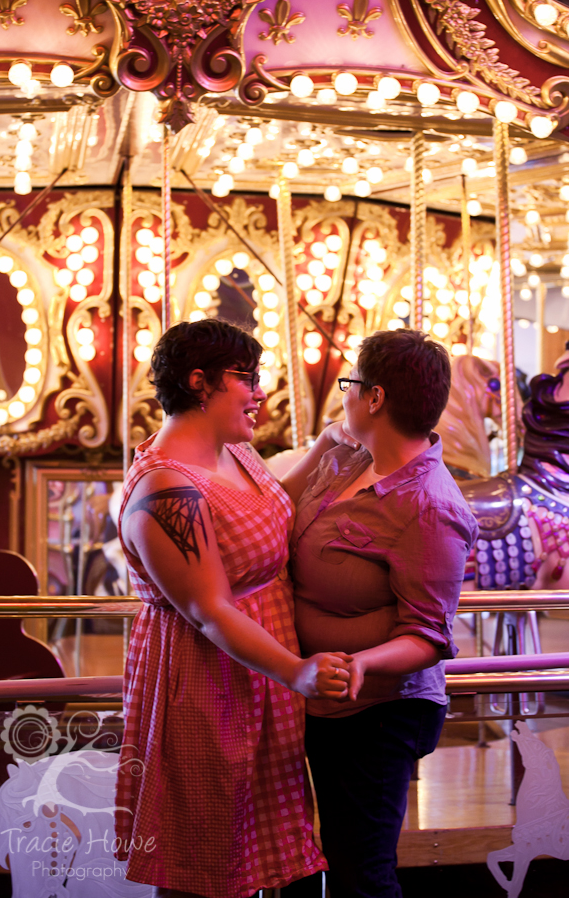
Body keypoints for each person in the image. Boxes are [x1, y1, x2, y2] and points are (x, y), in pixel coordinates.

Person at [114, 319, 351, 898]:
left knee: (262, 849)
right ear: (199, 382)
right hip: (207, 680)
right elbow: (208, 610)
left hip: (259, 672)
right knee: (207, 855)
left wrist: (332, 444)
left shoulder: (237, 453)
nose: (261, 391)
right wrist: (296, 671)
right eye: (247, 378)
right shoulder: (165, 488)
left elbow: (270, 515)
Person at [283, 329, 478, 898]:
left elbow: (427, 634)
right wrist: (323, 444)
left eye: (350, 384)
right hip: (314, 694)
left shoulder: (432, 506)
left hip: (378, 710)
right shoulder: (348, 462)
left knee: (360, 871)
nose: (343, 395)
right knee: (305, 859)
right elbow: (276, 510)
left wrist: (364, 665)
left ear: (374, 398)